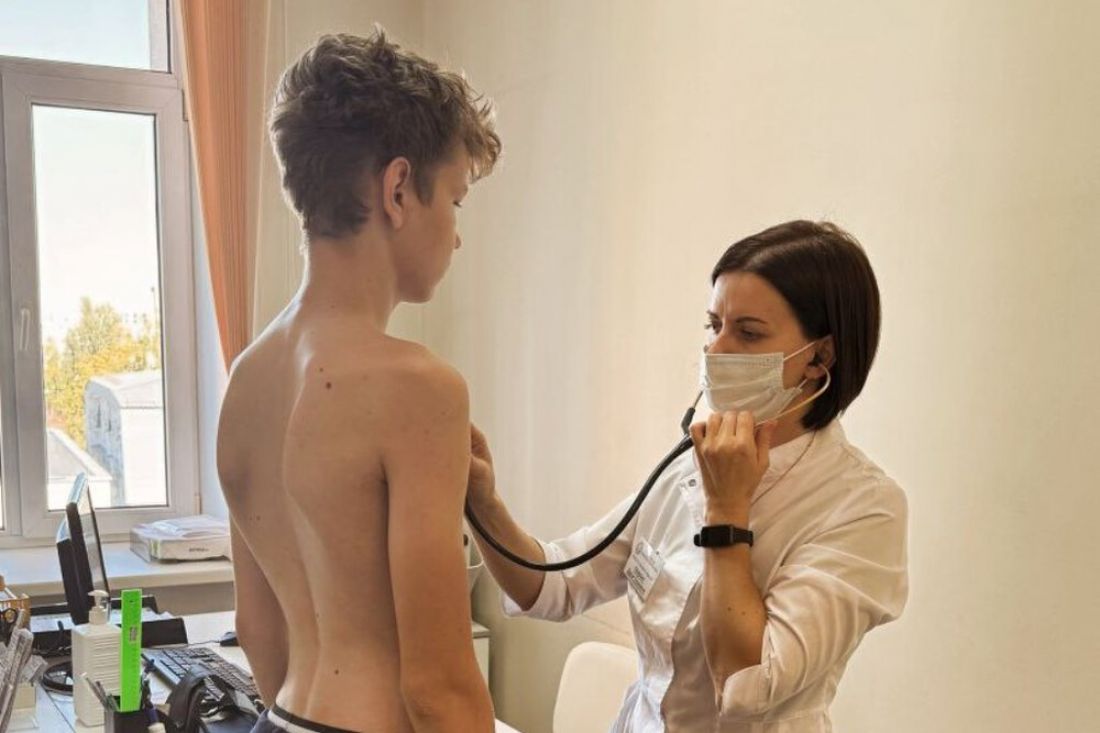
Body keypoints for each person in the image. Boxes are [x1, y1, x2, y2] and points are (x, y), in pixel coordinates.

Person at [466, 220, 909, 732]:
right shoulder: (688, 466)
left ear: (819, 357)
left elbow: (746, 686)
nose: (715, 351)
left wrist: (726, 512)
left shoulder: (863, 507)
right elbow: (553, 587)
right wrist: (480, 502)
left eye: (748, 333)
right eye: (714, 325)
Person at [217, 31, 501, 733]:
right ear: (398, 190)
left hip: (283, 716)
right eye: (456, 200)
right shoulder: (418, 387)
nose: (457, 235)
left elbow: (257, 628)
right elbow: (438, 688)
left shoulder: (246, 378)